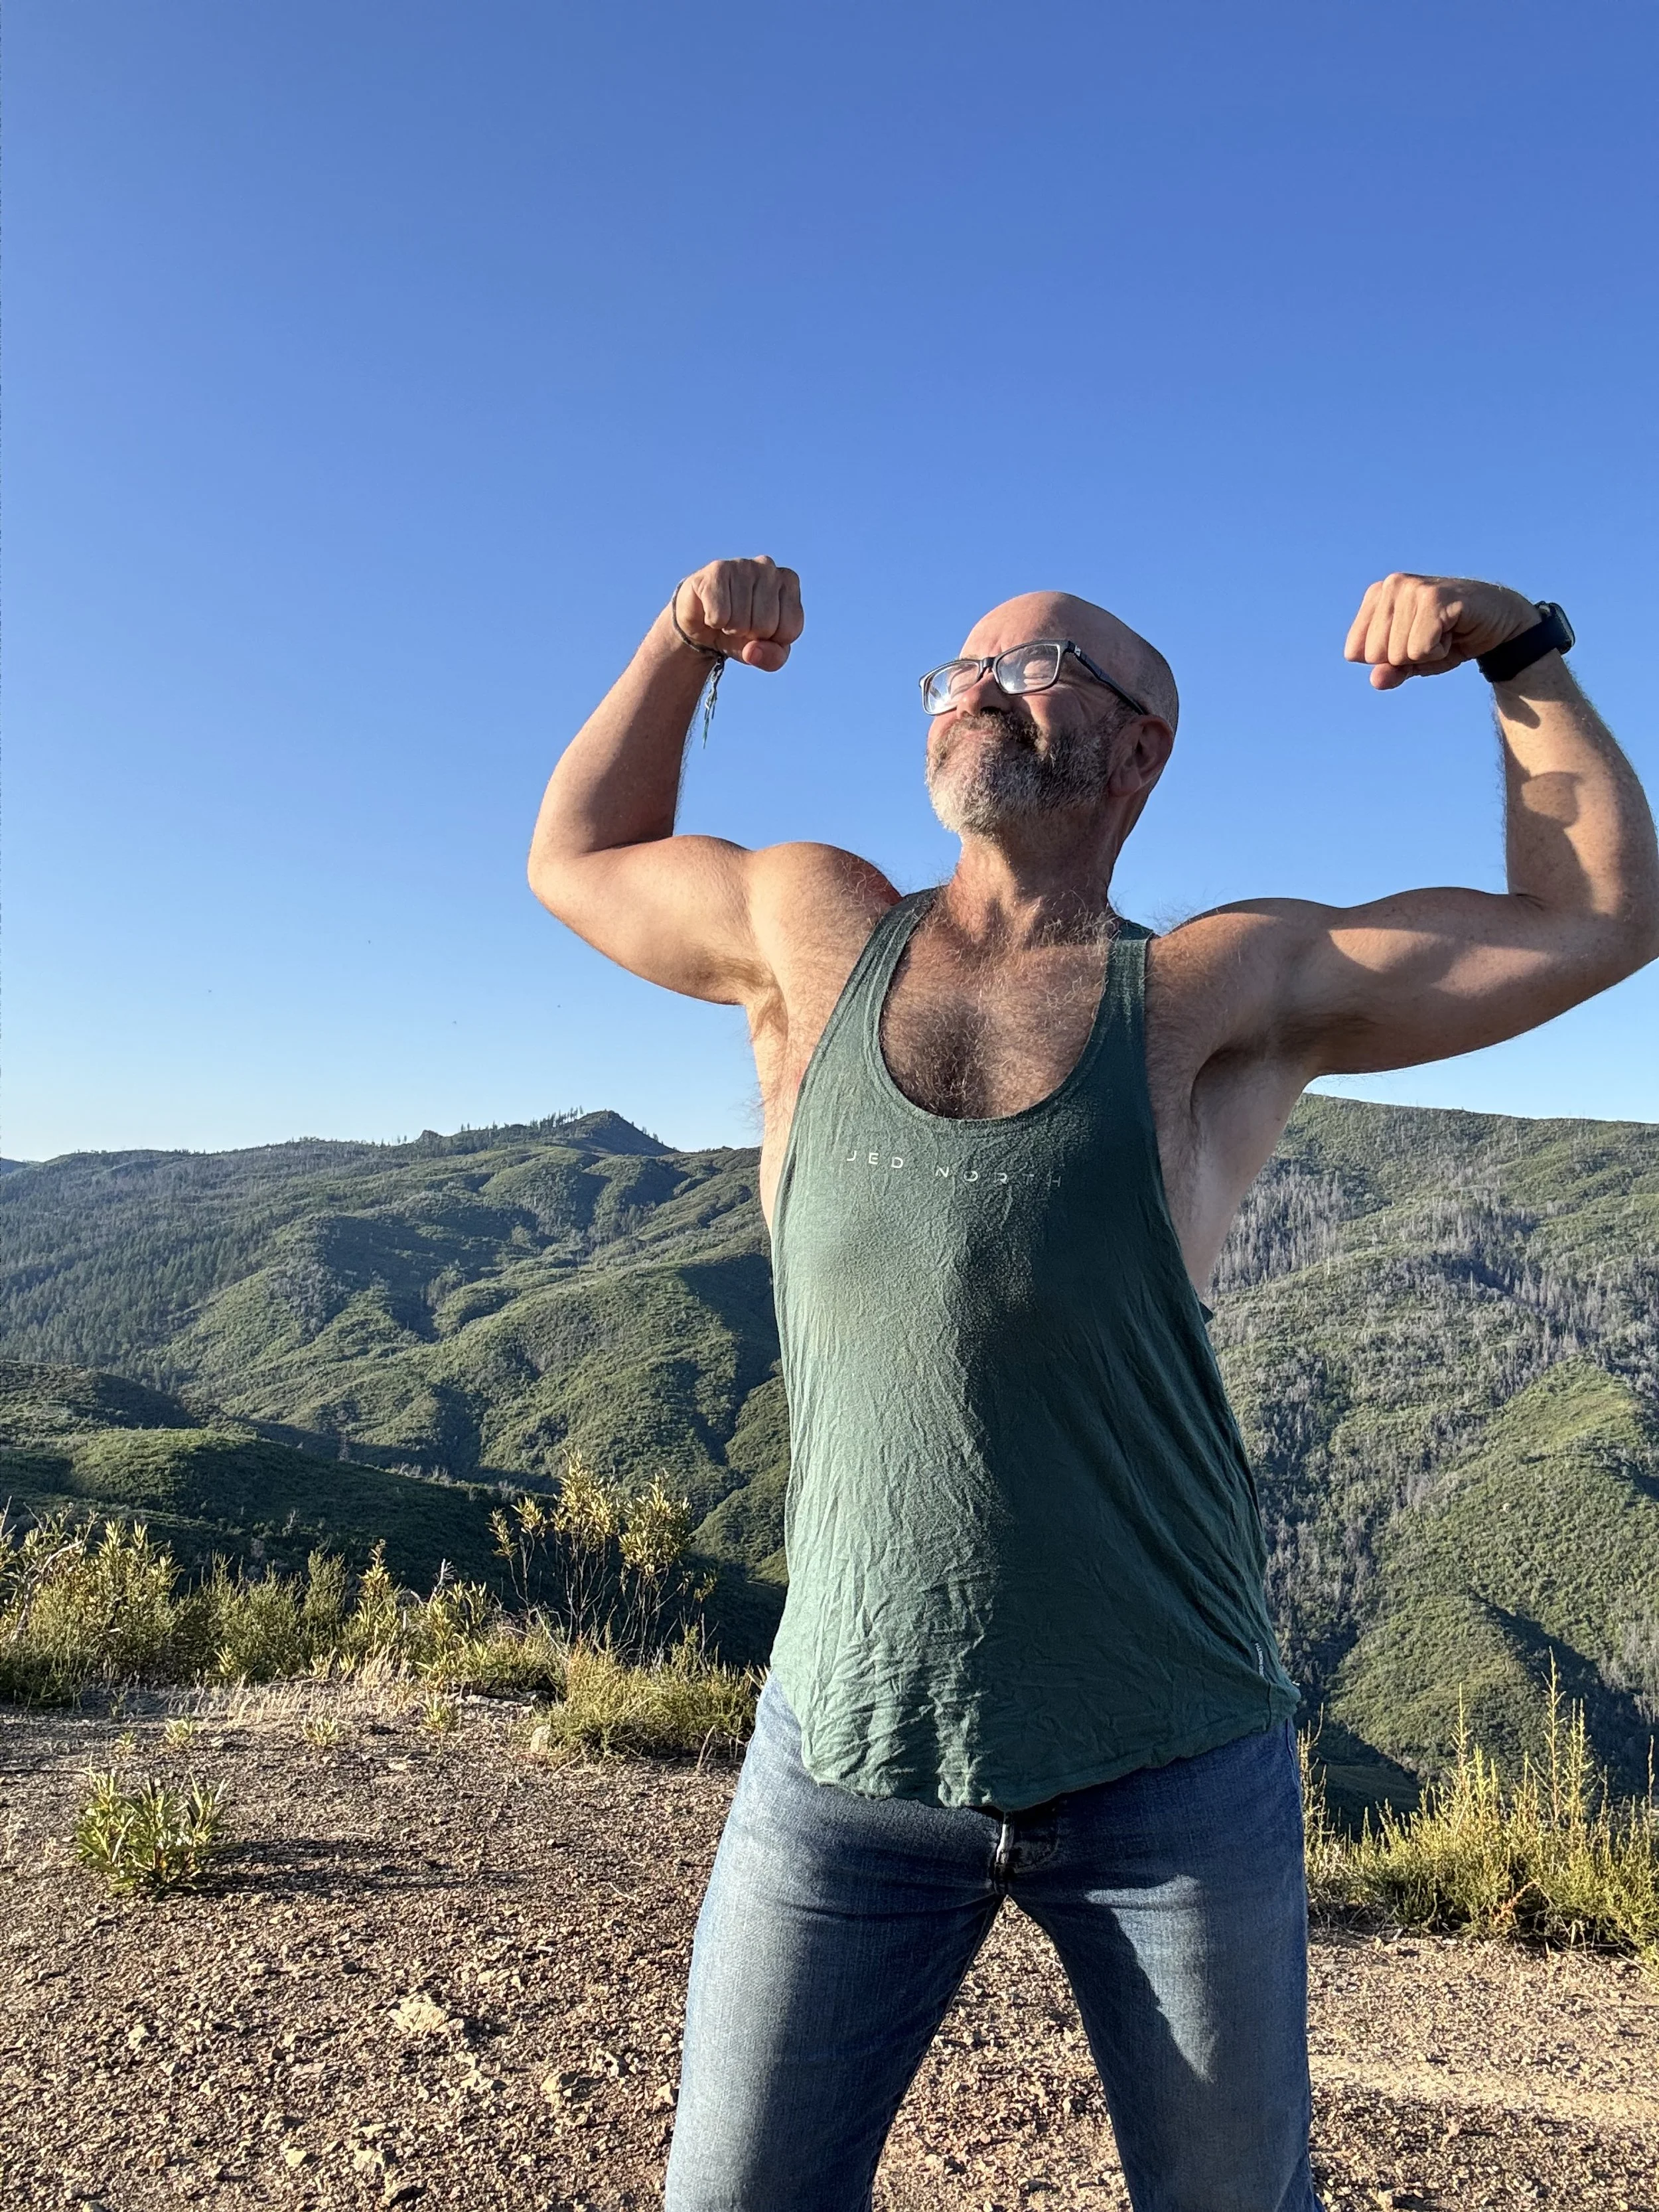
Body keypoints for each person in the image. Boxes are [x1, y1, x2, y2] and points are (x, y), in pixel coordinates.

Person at [527, 559, 1658, 2212]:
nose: (974, 685)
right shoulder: (806, 924)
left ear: (1138, 754)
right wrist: (677, 640)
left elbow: (1595, 924)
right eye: (954, 667)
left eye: (1037, 664)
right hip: (842, 1750)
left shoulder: (1208, 988)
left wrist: (1519, 652)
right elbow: (578, 858)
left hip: (1168, 1761)